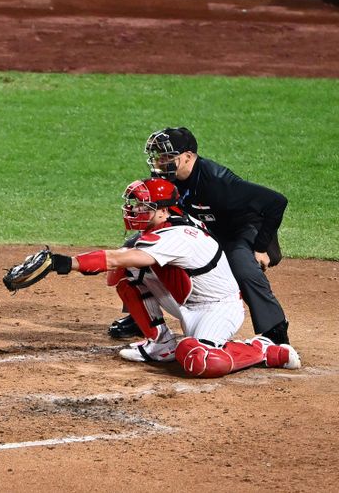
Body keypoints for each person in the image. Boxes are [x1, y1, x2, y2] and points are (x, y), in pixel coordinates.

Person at [51, 177, 300, 377]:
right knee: (127, 271)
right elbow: (115, 272)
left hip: (217, 309)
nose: (134, 209)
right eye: (134, 204)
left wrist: (67, 263)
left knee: (199, 359)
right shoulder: (161, 226)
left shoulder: (179, 236)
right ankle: (160, 344)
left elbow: (114, 259)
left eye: (142, 206)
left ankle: (262, 349)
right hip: (186, 301)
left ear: (162, 211)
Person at [109, 127, 292, 346]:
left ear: (187, 157)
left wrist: (261, 247)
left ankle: (274, 331)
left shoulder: (218, 181)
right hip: (205, 231)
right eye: (157, 157)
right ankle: (140, 318)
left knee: (242, 266)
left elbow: (276, 202)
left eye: (166, 157)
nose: (159, 162)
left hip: (240, 230)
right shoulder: (165, 178)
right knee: (136, 250)